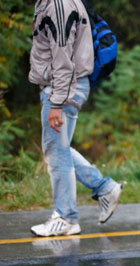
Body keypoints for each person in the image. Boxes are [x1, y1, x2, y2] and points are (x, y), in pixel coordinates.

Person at [28, 0, 122, 236]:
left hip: (63, 88)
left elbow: (62, 57)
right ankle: (104, 187)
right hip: (64, 87)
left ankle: (66, 216)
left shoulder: (58, 5)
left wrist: (56, 102)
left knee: (56, 152)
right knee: (57, 149)